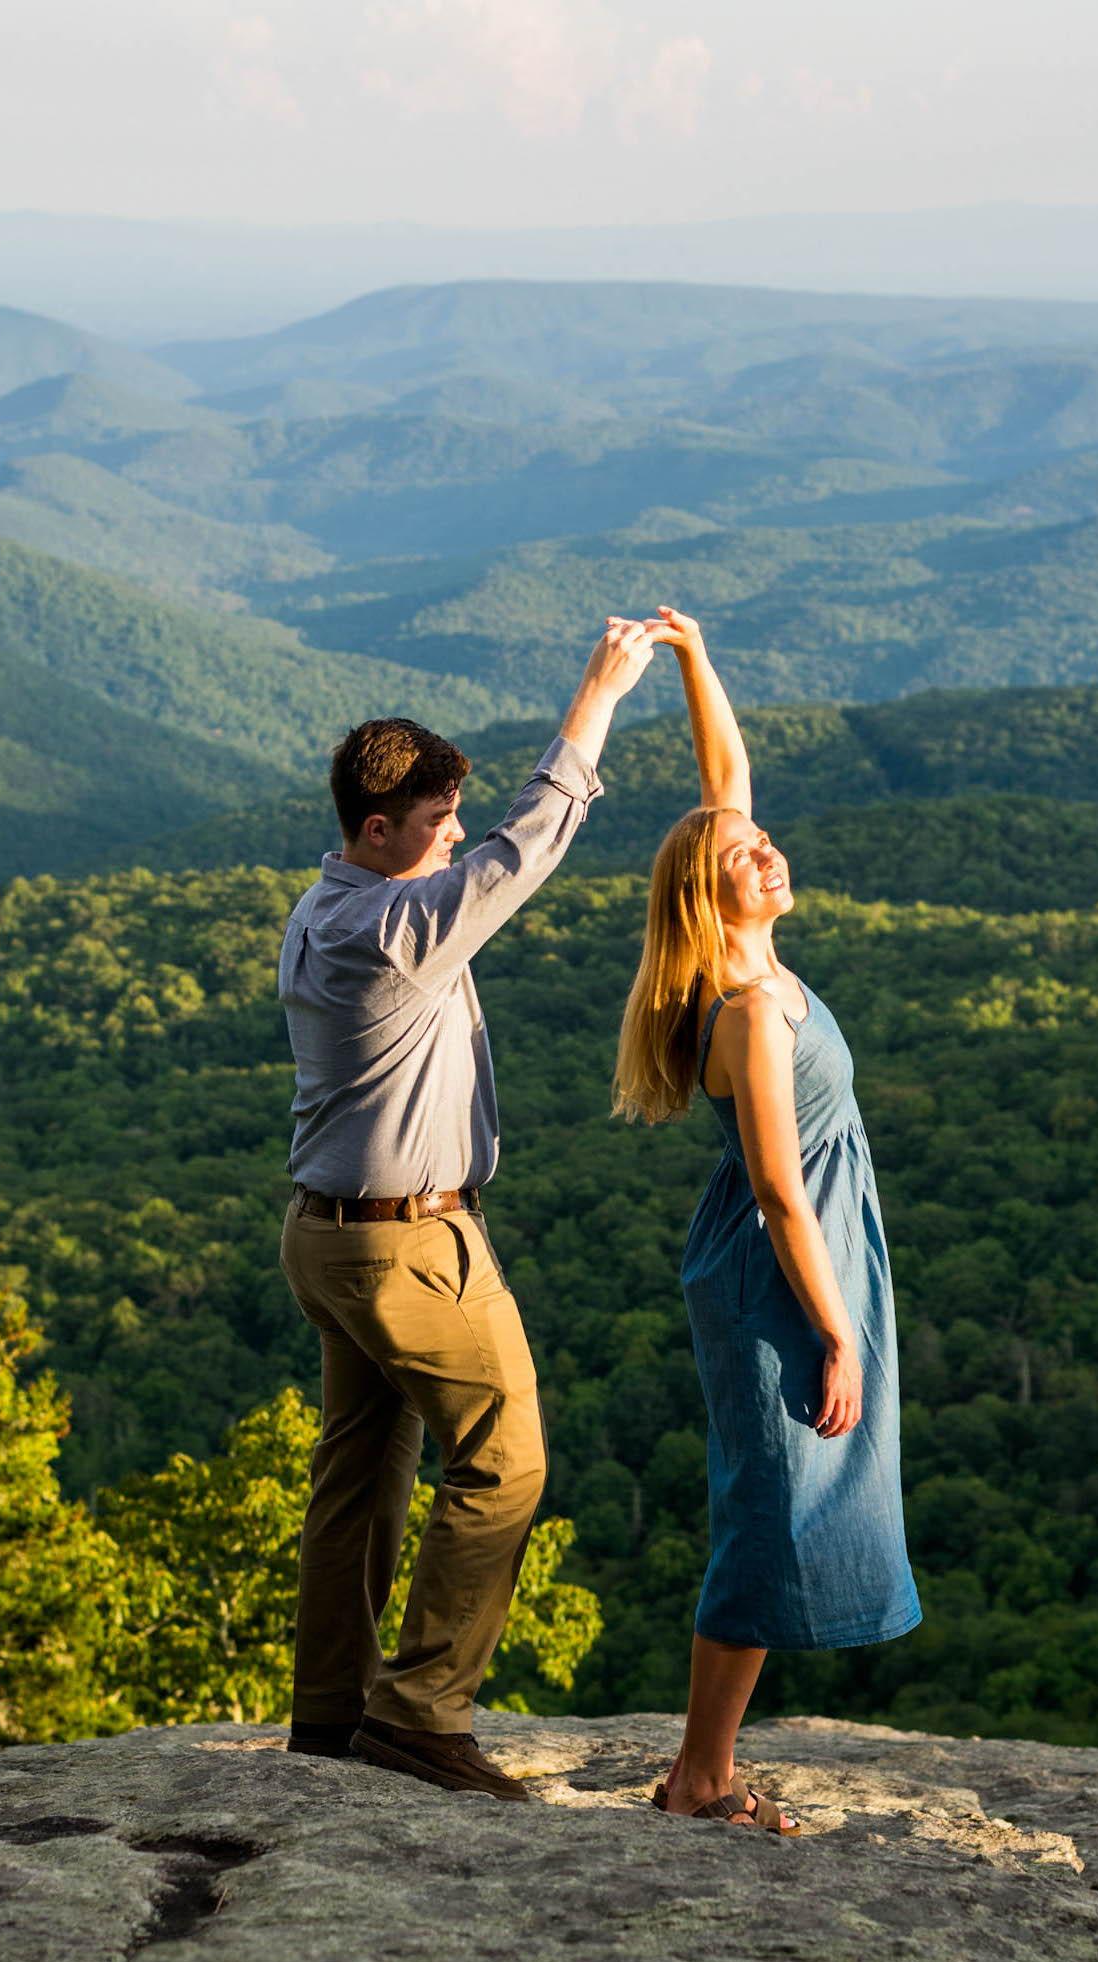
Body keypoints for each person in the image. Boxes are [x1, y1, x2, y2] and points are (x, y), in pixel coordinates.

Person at [277, 617, 666, 1801]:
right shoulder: (391, 930)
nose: (454, 841)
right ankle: (420, 1712)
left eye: (454, 821)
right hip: (407, 1243)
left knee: (362, 1469)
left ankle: (331, 1714)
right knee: (502, 1459)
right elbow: (531, 840)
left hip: (330, 1237)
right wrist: (596, 692)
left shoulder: (324, 905)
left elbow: (487, 851)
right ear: (374, 825)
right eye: (436, 825)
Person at [611, 606, 922, 1834]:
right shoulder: (746, 1009)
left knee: (782, 1491)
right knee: (765, 1503)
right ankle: (699, 1777)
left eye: (766, 843)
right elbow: (783, 1191)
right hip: (778, 1263)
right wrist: (836, 1331)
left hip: (803, 1247)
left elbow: (723, 785)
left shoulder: (751, 968)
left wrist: (694, 660)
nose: (768, 854)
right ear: (710, 894)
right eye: (745, 858)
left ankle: (705, 1764)